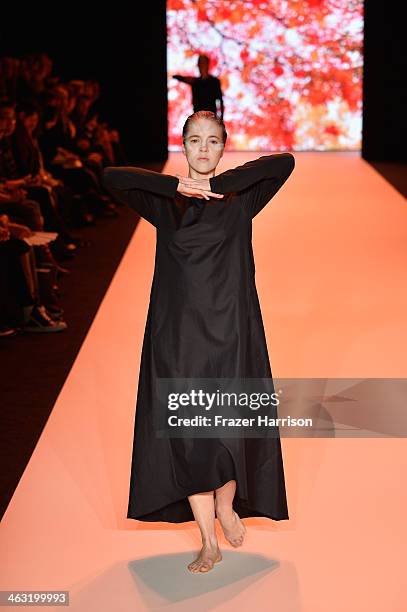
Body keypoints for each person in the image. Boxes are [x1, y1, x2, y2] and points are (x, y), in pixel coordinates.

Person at [102, 110, 295, 573]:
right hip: (179, 334)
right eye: (194, 140)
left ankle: (227, 506)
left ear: (224, 146)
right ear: (183, 147)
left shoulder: (241, 198)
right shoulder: (164, 204)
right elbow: (111, 177)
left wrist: (224, 182)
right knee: (190, 435)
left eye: (212, 141)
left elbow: (283, 162)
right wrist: (174, 187)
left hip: (233, 329)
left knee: (230, 431)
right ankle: (207, 540)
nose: (203, 149)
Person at [173, 54, 224, 119]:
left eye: (203, 63)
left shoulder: (214, 82)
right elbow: (182, 78)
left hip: (211, 119)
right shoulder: (195, 82)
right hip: (198, 119)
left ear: (207, 64)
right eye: (200, 63)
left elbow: (220, 100)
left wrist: (221, 118)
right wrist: (171, 76)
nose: (201, 66)